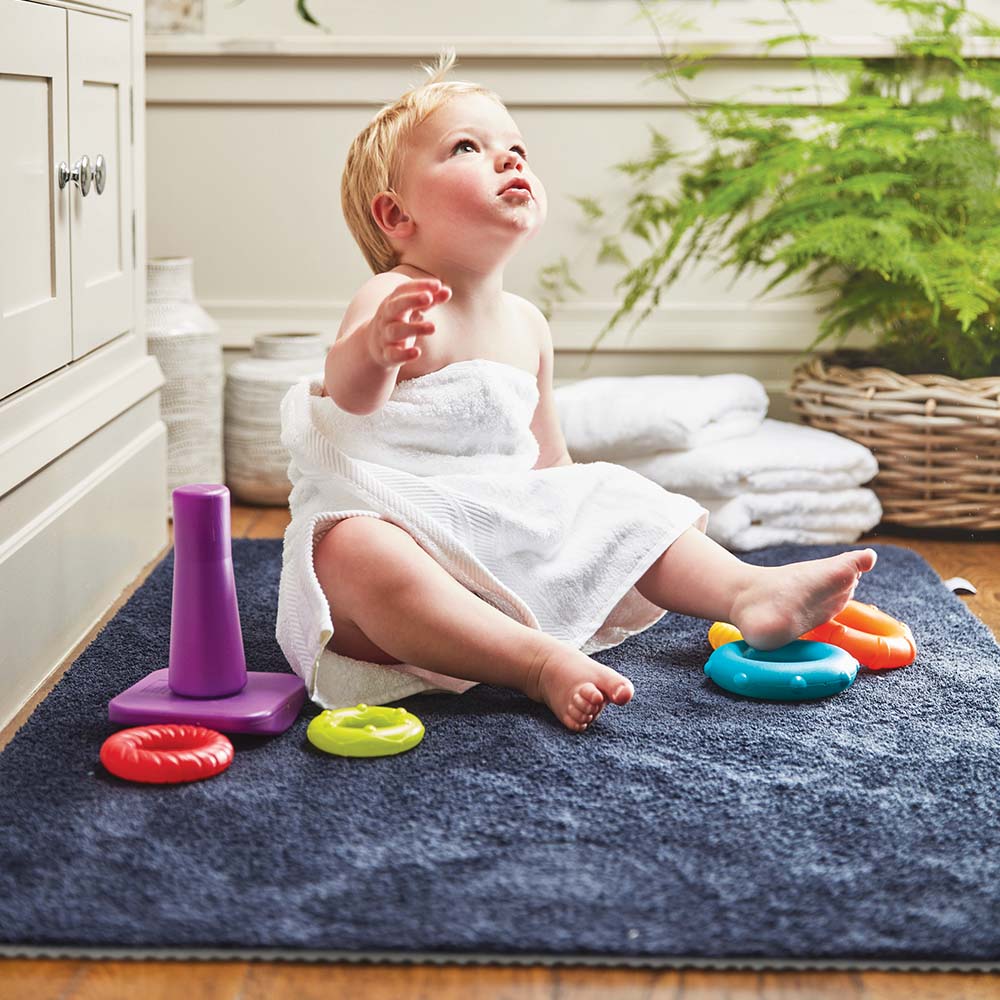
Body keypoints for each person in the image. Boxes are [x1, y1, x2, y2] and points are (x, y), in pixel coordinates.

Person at [275, 49, 876, 733]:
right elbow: (349, 399)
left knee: (616, 492)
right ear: (396, 215)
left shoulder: (527, 325)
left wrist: (582, 518)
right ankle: (535, 663)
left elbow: (547, 463)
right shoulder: (394, 299)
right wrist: (374, 350)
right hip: (399, 541)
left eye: (516, 146)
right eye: (467, 147)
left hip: (495, 547)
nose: (509, 159)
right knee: (352, 549)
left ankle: (748, 591)